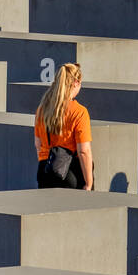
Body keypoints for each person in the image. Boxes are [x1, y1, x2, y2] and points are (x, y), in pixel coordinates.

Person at [34, 62, 94, 190]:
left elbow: (38, 144)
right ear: (76, 83)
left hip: (44, 171)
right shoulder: (79, 112)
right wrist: (89, 183)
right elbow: (84, 151)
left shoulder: (42, 109)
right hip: (69, 173)